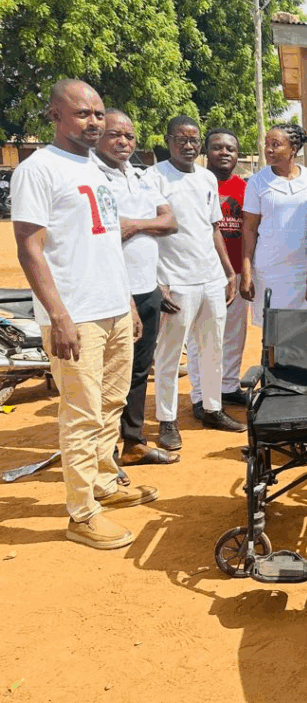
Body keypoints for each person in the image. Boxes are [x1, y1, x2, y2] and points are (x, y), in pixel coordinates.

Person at [11, 79, 155, 550]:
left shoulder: (95, 167)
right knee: (81, 414)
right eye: (82, 113)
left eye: (98, 113)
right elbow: (29, 247)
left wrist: (127, 303)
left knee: (111, 404)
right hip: (76, 316)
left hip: (113, 309)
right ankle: (82, 514)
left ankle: (103, 483)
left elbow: (106, 244)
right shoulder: (38, 169)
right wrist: (58, 316)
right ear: (55, 115)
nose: (94, 121)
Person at [147, 116, 245, 449]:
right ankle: (167, 420)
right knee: (169, 354)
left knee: (213, 347)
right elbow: (149, 232)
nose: (188, 145)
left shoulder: (206, 178)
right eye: (181, 139)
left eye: (193, 140)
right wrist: (158, 282)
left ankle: (213, 409)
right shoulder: (154, 177)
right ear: (168, 140)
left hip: (211, 278)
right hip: (176, 281)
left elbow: (213, 227)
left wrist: (228, 271)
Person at [93, 108, 180, 468]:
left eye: (129, 136)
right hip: (111, 294)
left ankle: (133, 442)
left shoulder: (141, 176)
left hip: (147, 289)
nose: (124, 142)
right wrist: (146, 223)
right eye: (115, 134)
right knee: (108, 376)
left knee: (140, 370)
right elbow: (105, 233)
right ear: (98, 135)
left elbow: (170, 222)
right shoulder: (92, 176)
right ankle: (105, 455)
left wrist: (135, 225)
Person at [186, 128, 249, 420]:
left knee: (234, 334)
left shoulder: (244, 187)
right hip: (203, 273)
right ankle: (200, 396)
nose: (224, 152)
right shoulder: (195, 182)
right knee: (202, 337)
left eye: (230, 149)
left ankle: (228, 386)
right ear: (205, 151)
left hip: (236, 272)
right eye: (217, 147)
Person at [240, 124, 307, 326]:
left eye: (275, 144)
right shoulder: (257, 182)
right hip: (270, 271)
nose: (268, 149)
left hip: (305, 271)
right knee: (274, 331)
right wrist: (247, 272)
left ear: (293, 149)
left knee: (306, 331)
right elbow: (249, 230)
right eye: (266, 144)